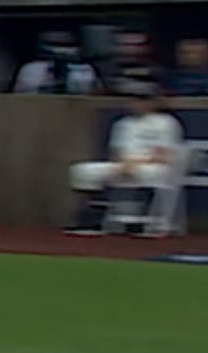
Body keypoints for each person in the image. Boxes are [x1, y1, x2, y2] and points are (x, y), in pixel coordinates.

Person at [63, 78, 185, 236]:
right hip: (123, 163)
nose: (137, 103)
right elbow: (117, 153)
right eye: (134, 99)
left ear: (152, 102)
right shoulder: (123, 124)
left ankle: (144, 219)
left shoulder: (166, 122)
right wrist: (123, 164)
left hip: (154, 165)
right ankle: (92, 217)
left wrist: (134, 163)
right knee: (82, 170)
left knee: (147, 173)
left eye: (142, 99)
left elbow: (164, 154)